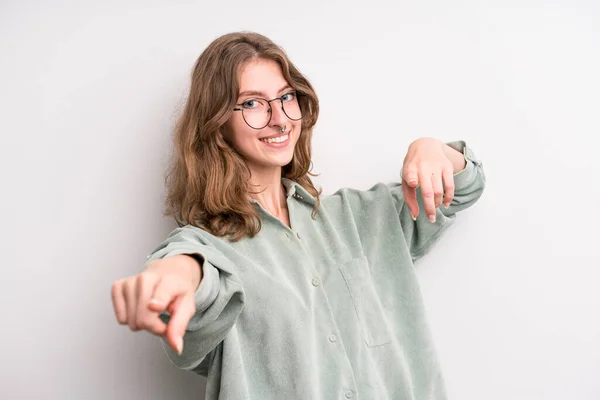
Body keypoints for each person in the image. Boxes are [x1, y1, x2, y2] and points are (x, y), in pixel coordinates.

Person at [111, 31, 486, 400]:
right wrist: (172, 277)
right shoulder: (207, 246)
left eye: (286, 97)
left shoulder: (359, 217)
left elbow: (465, 186)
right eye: (254, 103)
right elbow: (188, 271)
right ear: (217, 122)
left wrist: (431, 149)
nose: (280, 119)